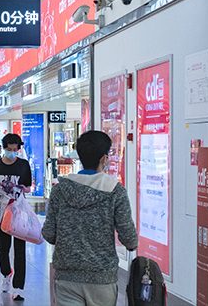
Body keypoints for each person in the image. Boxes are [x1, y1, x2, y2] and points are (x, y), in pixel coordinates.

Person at [42, 130, 138, 306]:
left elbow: (49, 233)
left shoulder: (59, 190)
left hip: (67, 276)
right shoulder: (115, 191)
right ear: (104, 159)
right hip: (101, 278)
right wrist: (132, 244)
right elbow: (129, 237)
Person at [0, 134, 32, 301]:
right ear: (3, 148)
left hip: (19, 212)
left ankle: (18, 287)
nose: (13, 152)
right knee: (3, 247)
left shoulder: (23, 165)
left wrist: (23, 189)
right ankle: (6, 274)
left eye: (15, 150)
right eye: (9, 149)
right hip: (1, 212)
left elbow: (28, 187)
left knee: (20, 249)